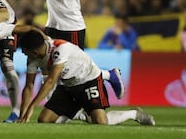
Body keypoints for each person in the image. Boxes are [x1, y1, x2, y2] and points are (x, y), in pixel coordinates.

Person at [17, 30, 155, 126]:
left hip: (89, 81)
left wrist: (32, 107)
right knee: (44, 120)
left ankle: (134, 114)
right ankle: (83, 113)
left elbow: (51, 81)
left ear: (34, 51)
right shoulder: (32, 59)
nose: (23, 53)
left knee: (101, 122)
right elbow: (29, 86)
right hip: (67, 87)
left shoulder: (60, 49)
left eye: (24, 50)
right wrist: (23, 113)